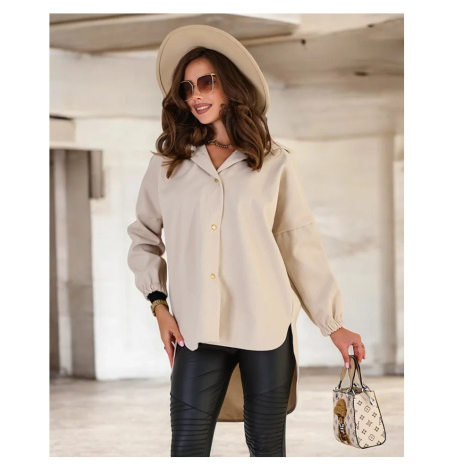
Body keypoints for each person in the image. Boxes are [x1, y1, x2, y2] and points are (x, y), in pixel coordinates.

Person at [127, 24, 366, 457]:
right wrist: (159, 306)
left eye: (206, 82)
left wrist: (332, 324)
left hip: (266, 328)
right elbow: (144, 237)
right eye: (187, 88)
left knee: (268, 450)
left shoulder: (273, 163)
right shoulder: (167, 165)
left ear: (230, 87)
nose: (195, 95)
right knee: (186, 449)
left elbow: (298, 245)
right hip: (196, 332)